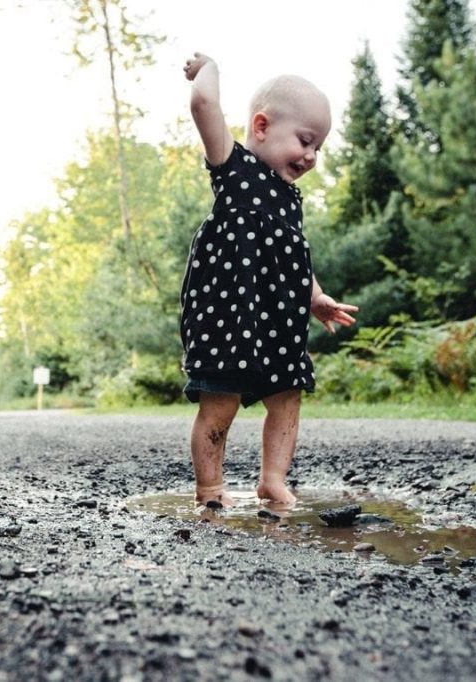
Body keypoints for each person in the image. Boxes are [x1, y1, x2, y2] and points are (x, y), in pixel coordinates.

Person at [180, 52, 358, 508]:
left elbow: (292, 254)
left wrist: (315, 296)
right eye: (305, 140)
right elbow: (203, 105)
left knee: (287, 395)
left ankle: (272, 479)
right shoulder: (233, 168)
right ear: (261, 127)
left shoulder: (289, 199)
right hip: (227, 313)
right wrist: (210, 69)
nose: (312, 156)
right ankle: (210, 490)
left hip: (278, 317)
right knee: (221, 402)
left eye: (318, 147)